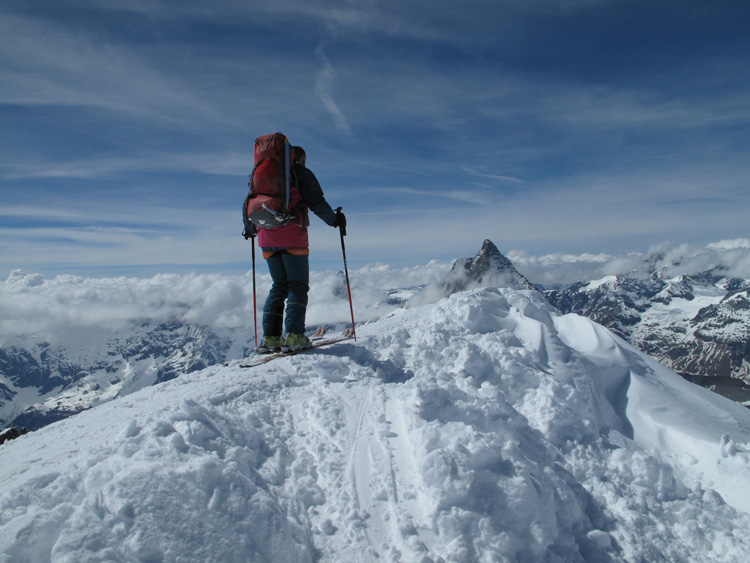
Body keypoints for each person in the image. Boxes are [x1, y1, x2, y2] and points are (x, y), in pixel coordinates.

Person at [257, 146, 345, 352]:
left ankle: (270, 339)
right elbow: (316, 201)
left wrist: (250, 229)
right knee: (297, 286)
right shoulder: (300, 172)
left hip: (265, 237)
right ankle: (295, 336)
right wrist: (334, 220)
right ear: (299, 157)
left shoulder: (262, 174)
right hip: (292, 236)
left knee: (278, 286)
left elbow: (250, 204)